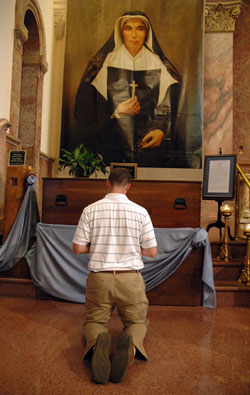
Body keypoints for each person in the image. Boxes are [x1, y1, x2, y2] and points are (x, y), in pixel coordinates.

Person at [72, 167, 157, 384]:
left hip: (99, 277)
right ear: (128, 187)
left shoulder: (90, 210)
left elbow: (78, 248)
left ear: (107, 183)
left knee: (94, 320)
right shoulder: (141, 212)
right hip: (130, 278)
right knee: (137, 322)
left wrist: (102, 246)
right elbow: (151, 252)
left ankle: (98, 341)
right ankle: (129, 345)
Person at [73, 11, 182, 167]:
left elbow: (169, 103)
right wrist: (117, 112)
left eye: (140, 28)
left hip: (148, 144)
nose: (134, 35)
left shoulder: (157, 63)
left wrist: (161, 130)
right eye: (128, 28)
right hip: (112, 141)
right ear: (120, 32)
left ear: (147, 32)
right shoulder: (107, 62)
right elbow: (88, 110)